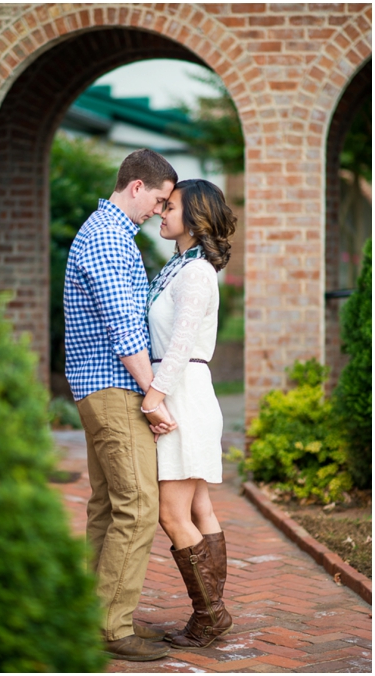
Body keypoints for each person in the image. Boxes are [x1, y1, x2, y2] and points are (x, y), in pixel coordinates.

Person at [63, 148, 178, 662]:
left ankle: (91, 617)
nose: (159, 209)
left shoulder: (106, 233)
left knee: (109, 506)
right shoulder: (109, 238)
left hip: (99, 388)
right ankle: (112, 627)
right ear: (136, 186)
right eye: (158, 198)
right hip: (113, 388)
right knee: (138, 506)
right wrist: (153, 395)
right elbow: (123, 327)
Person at [142, 179, 237, 649]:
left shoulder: (196, 273)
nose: (162, 211)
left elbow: (179, 343)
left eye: (170, 206)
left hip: (181, 392)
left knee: (171, 511)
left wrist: (154, 395)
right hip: (183, 390)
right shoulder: (180, 266)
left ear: (195, 218)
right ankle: (213, 615)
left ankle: (210, 615)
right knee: (199, 507)